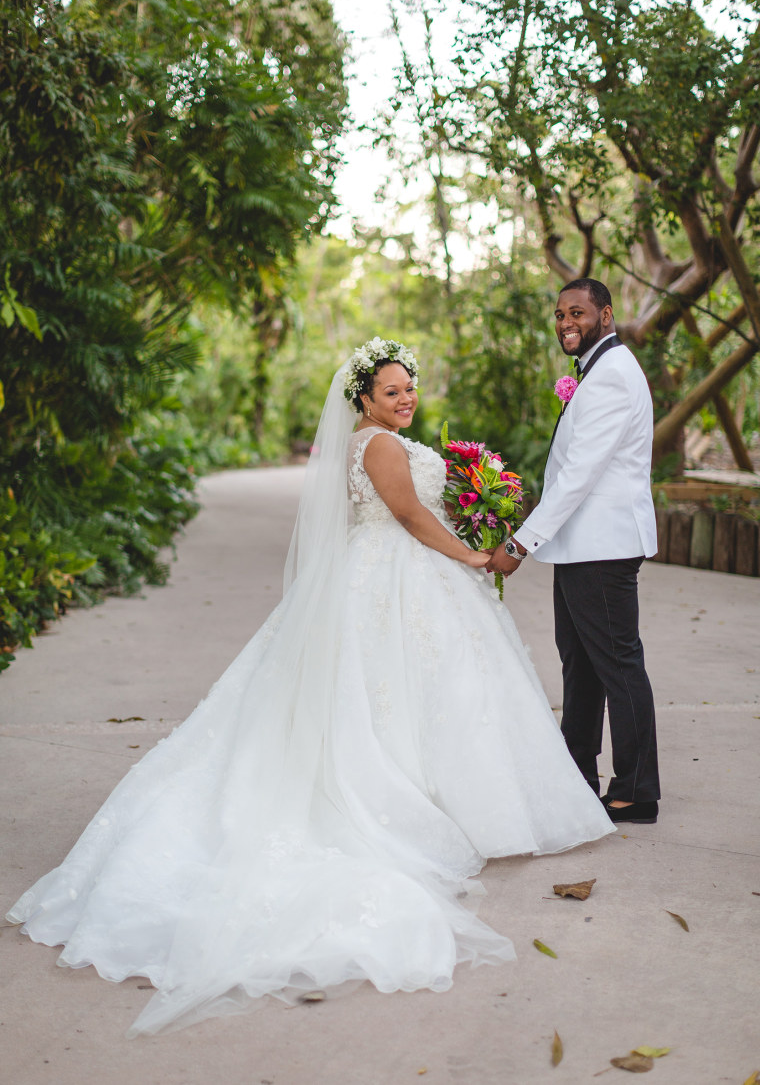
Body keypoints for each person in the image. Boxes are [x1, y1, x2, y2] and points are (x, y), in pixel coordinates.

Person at [7, 338, 613, 1036]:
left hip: (394, 570)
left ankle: (451, 797)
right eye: (390, 392)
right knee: (397, 695)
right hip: (394, 570)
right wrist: (476, 553)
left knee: (423, 694)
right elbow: (413, 519)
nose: (405, 399)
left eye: (408, 387)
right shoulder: (380, 448)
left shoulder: (375, 440)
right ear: (362, 400)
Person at [488, 280, 660, 824]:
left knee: (617, 666)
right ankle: (577, 774)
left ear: (605, 315)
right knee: (581, 666)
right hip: (583, 547)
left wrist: (520, 541)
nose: (566, 321)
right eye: (561, 312)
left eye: (578, 312)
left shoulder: (611, 375)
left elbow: (579, 475)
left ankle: (635, 791)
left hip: (602, 548)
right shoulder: (598, 369)